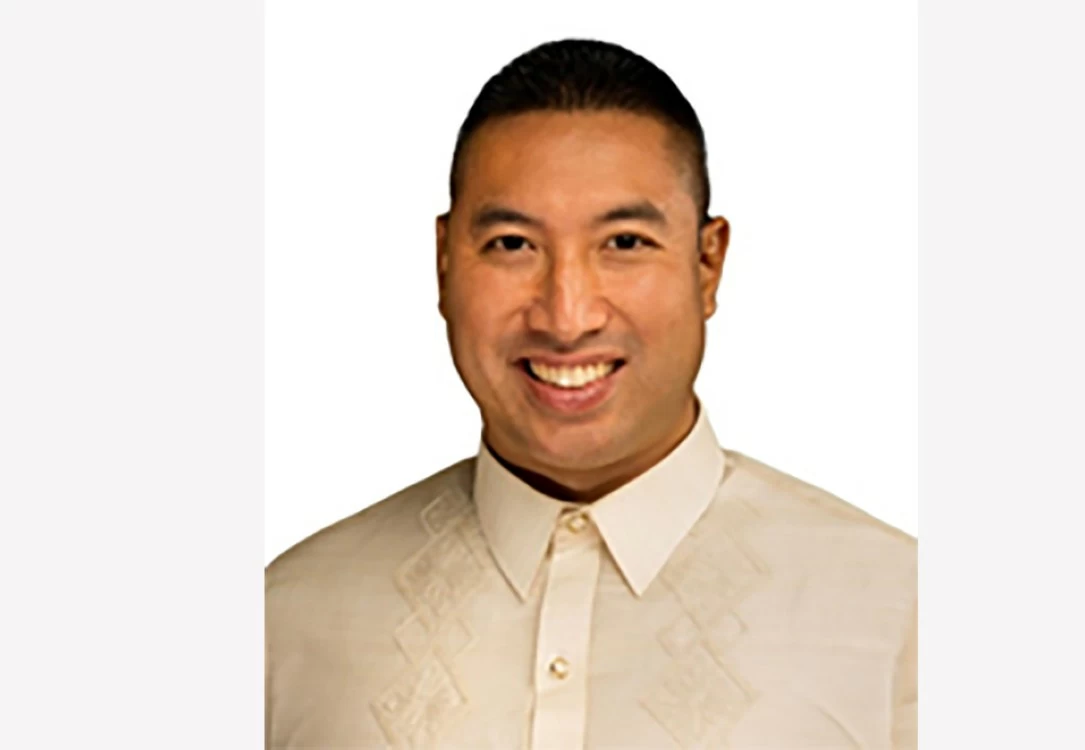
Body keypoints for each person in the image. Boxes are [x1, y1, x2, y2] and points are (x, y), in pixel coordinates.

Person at [265, 38, 916, 750]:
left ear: (707, 264)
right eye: (512, 244)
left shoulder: (899, 615)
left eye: (625, 243)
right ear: (444, 262)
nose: (566, 317)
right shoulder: (288, 621)